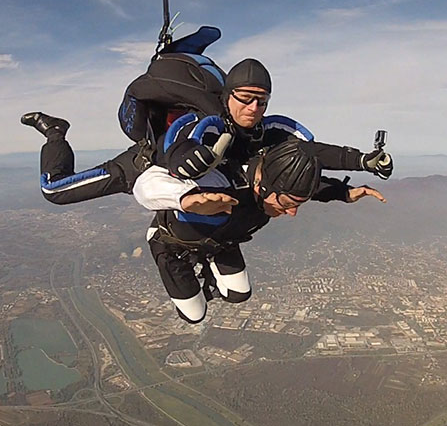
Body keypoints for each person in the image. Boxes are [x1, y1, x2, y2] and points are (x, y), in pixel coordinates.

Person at [23, 55, 393, 208]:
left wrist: (360, 163)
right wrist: (189, 162)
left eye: (261, 102)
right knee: (54, 190)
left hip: (188, 180)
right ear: (229, 94)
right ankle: (56, 133)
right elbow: (181, 143)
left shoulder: (266, 131)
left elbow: (306, 159)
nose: (254, 109)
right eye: (247, 99)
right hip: (146, 164)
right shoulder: (208, 120)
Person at [133, 139, 387, 323]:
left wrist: (344, 193)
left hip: (221, 242)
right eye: (287, 205)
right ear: (264, 187)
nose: (291, 212)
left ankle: (207, 261)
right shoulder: (225, 182)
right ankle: (164, 248)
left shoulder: (276, 184)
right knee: (194, 314)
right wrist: (185, 198)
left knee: (238, 294)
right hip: (174, 242)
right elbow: (145, 184)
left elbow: (308, 189)